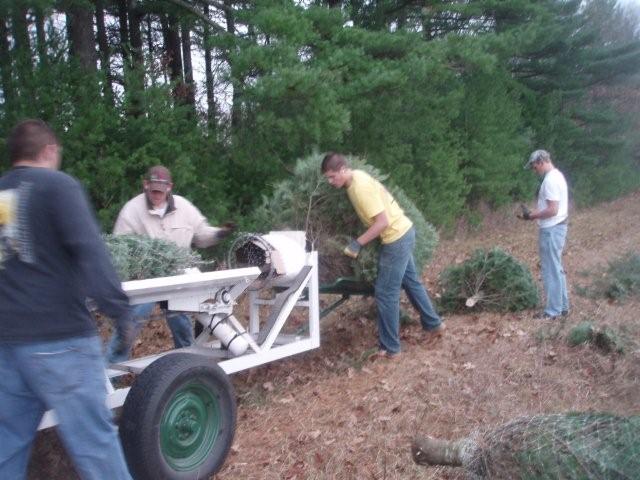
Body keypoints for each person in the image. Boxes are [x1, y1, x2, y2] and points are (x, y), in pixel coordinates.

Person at [0, 119, 134, 479]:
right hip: (59, 342)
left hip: (7, 344)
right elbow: (89, 251)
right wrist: (119, 309)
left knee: (7, 442)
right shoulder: (58, 187)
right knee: (95, 442)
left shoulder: (1, 195)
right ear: (48, 151)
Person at [106, 165, 234, 363]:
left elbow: (201, 234)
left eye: (160, 190)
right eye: (152, 189)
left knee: (181, 324)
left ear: (169, 187)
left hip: (177, 278)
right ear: (145, 185)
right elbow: (120, 248)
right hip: (145, 280)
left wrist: (219, 233)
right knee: (129, 324)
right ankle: (111, 370)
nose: (156, 194)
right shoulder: (131, 211)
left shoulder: (184, 207)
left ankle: (187, 364)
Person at [321, 153, 443, 358]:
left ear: (343, 169)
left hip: (396, 239)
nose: (330, 181)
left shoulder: (359, 188)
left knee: (386, 293)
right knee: (411, 282)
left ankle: (390, 349)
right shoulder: (357, 177)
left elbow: (382, 223)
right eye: (328, 178)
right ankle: (434, 324)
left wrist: (357, 244)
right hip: (404, 231)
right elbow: (383, 191)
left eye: (332, 176)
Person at [519, 149, 569, 319]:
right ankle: (562, 307)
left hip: (551, 229)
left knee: (551, 270)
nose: (534, 170)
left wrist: (532, 215)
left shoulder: (550, 181)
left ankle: (553, 312)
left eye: (534, 167)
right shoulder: (557, 176)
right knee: (557, 268)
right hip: (558, 227)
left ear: (541, 162)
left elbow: (552, 210)